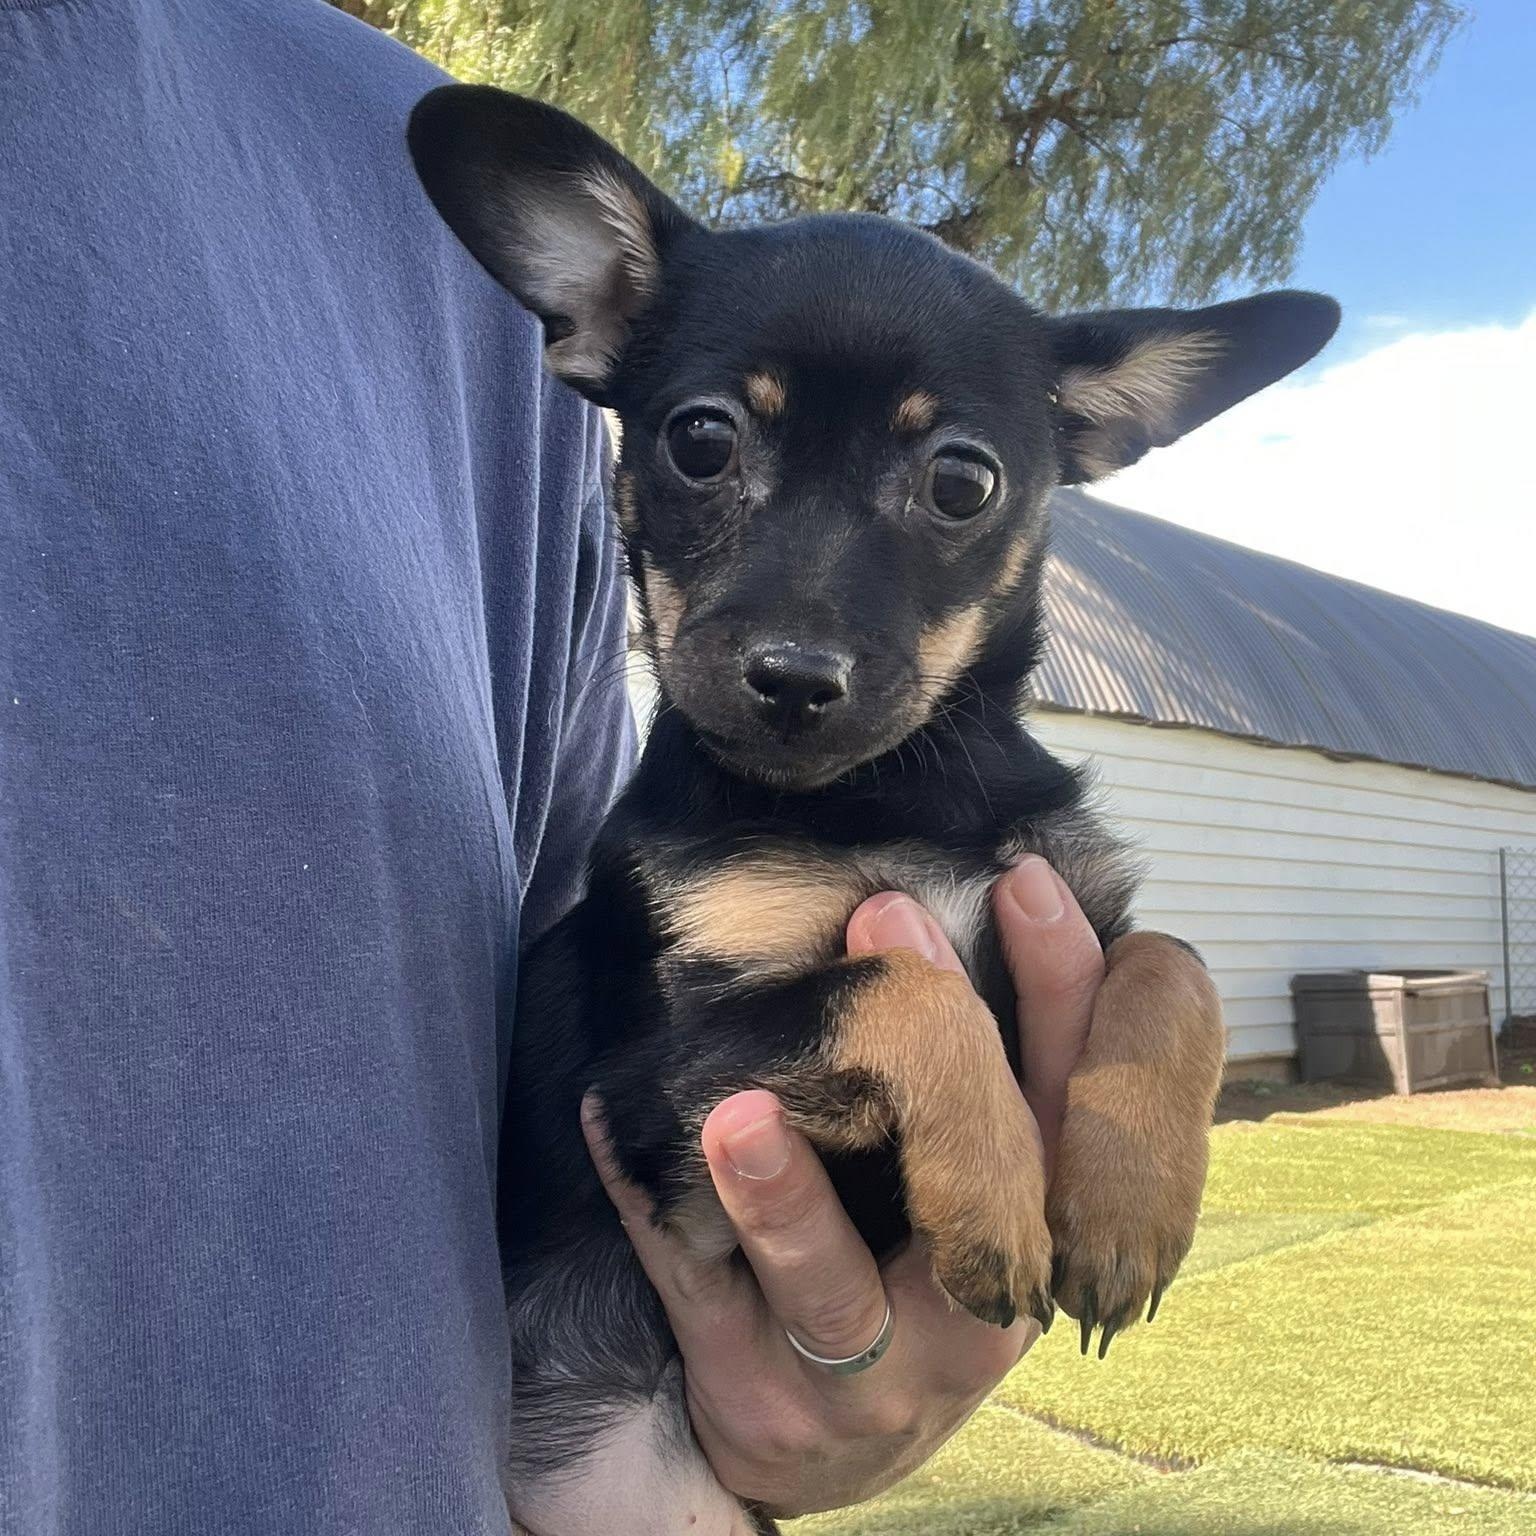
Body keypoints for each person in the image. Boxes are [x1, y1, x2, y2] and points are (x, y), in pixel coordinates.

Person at [0, 2, 1108, 1530]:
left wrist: (807, 1396)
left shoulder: (368, 166)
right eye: (709, 450)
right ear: (609, 349)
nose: (800, 636)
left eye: (953, 483)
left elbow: (591, 997)